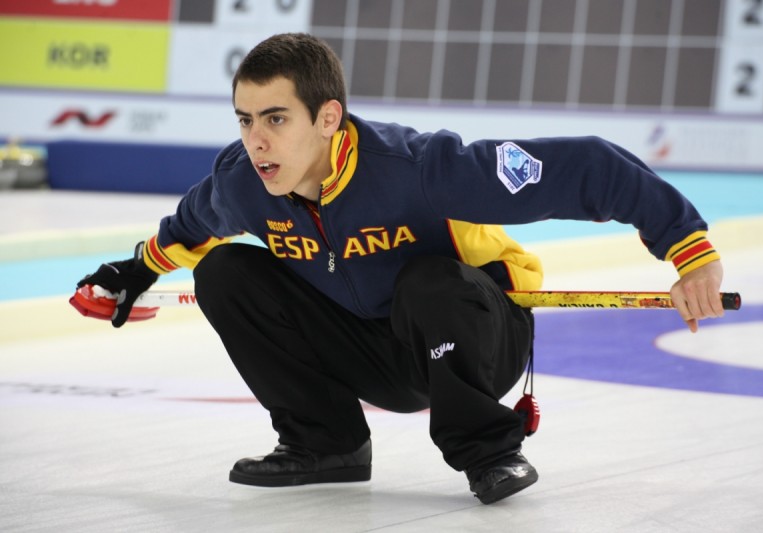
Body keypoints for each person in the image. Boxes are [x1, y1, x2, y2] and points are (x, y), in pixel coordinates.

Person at [76, 32, 725, 505]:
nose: (257, 140)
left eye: (276, 119)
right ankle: (323, 441)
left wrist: (690, 250)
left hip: (476, 339)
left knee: (428, 278)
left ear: (328, 117)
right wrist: (136, 270)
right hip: (371, 350)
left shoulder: (419, 169)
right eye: (246, 121)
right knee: (224, 272)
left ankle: (489, 451)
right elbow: (193, 223)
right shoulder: (246, 183)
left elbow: (588, 166)